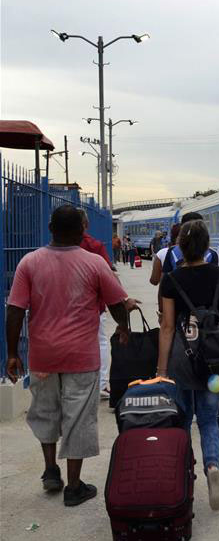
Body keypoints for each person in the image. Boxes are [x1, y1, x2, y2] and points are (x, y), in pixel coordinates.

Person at [5, 205, 136, 507]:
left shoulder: (30, 262)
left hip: (42, 356)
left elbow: (14, 310)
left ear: (50, 228)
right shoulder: (94, 263)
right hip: (81, 356)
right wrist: (124, 329)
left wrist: (12, 353)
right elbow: (117, 302)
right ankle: (74, 486)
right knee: (78, 418)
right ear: (82, 231)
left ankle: (51, 470)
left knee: (46, 412)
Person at [157, 219, 219, 511]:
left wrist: (161, 370)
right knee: (209, 419)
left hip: (181, 362)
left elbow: (166, 327)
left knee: (182, 421)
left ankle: (185, 477)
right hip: (216, 362)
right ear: (206, 246)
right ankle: (212, 468)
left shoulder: (171, 280)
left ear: (179, 247)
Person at [78, 209, 116, 400]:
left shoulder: (56, 247)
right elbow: (108, 274)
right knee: (100, 341)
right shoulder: (94, 245)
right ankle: (101, 385)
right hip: (94, 304)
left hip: (64, 306)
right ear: (86, 225)